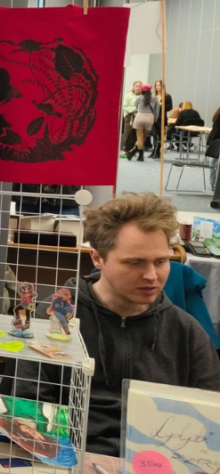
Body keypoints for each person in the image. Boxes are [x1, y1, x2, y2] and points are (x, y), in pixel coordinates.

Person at [15, 192, 220, 456]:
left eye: (160, 262)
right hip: (69, 457)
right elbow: (30, 407)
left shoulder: (186, 332)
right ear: (97, 258)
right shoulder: (55, 317)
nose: (151, 276)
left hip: (157, 461)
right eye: (135, 263)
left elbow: (209, 421)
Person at [127, 84, 159, 161]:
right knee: (144, 137)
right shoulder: (155, 98)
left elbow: (136, 107)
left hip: (139, 117)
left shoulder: (138, 98)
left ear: (142, 90)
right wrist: (155, 118)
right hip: (149, 118)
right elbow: (157, 111)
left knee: (140, 137)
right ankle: (134, 151)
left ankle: (139, 155)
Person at [121, 80, 142, 152]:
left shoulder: (143, 96)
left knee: (137, 133)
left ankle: (134, 149)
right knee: (128, 132)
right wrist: (134, 110)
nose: (138, 88)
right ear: (133, 87)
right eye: (136, 86)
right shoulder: (129, 95)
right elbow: (125, 106)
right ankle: (125, 148)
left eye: (139, 86)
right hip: (130, 116)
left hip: (139, 116)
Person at [153, 79, 172, 152]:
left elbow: (169, 107)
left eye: (159, 85)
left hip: (162, 118)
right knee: (154, 134)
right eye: (156, 85)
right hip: (154, 117)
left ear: (163, 86)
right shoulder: (153, 96)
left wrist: (160, 106)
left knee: (160, 134)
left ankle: (158, 150)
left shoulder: (167, 96)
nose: (158, 87)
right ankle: (154, 149)